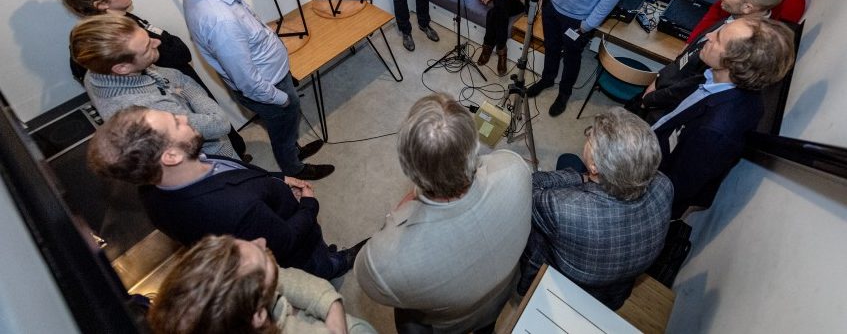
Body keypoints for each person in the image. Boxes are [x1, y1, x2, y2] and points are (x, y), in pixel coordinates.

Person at [87, 106, 361, 280]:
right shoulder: (232, 207)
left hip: (273, 210)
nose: (184, 117)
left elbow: (243, 174)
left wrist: (278, 178)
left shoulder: (153, 190)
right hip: (297, 246)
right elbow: (286, 241)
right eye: (175, 122)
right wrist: (309, 205)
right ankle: (333, 265)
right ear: (170, 156)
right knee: (316, 262)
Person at [355, 94, 531, 334]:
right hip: (498, 299)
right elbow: (490, 161)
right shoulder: (516, 169)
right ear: (474, 145)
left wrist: (400, 211)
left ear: (409, 169)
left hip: (449, 324)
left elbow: (367, 279)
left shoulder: (384, 261)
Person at [42, 0, 249, 160]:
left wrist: (183, 83)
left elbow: (177, 67)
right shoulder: (142, 102)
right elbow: (213, 123)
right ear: (101, 5)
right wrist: (184, 87)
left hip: (197, 113)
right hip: (200, 148)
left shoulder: (127, 24)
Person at [181, 0, 331, 181]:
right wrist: (281, 99)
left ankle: (294, 150)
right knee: (283, 129)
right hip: (270, 86)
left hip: (271, 74)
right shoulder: (222, 22)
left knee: (286, 127)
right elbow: (248, 82)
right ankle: (294, 167)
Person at [519, 108, 673, 310]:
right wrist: (588, 178)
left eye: (590, 135)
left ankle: (523, 286)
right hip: (614, 291)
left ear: (594, 167)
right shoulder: (664, 186)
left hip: (564, 285)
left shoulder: (562, 209)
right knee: (568, 159)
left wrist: (580, 178)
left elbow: (527, 187)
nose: (587, 136)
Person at [653, 16, 795, 218]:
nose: (708, 36)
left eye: (718, 39)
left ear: (735, 62)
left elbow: (675, 187)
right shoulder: (716, 79)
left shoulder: (717, 130)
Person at [632, 0, 787, 124]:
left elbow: (692, 85)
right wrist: (659, 79)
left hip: (664, 109)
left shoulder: (742, 44)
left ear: (748, 7)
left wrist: (651, 99)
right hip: (662, 86)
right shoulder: (735, 17)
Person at [71, 15, 237, 158]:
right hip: (212, 159)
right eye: (146, 48)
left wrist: (180, 85)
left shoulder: (96, 73)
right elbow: (218, 124)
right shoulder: (148, 109)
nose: (157, 42)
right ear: (122, 68)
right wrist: (186, 91)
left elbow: (174, 75)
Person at [148, 234, 376, 334]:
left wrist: (331, 304)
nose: (261, 240)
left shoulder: (243, 295)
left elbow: (284, 277)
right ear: (258, 316)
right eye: (263, 262)